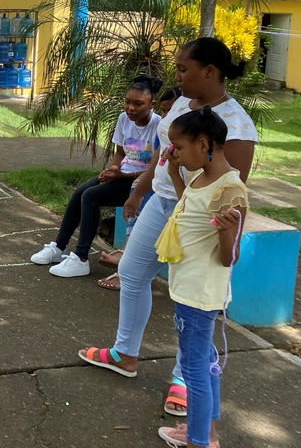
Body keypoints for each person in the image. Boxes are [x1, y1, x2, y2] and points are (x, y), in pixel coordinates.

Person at [78, 38, 257, 421]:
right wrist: (140, 187)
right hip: (160, 202)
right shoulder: (181, 103)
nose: (176, 76)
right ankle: (125, 353)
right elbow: (165, 151)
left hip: (198, 221)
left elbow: (232, 191)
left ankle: (185, 377)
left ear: (209, 72)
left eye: (182, 69)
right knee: (130, 273)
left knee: (191, 302)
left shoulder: (237, 125)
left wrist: (227, 239)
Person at [154, 108, 248, 448]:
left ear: (204, 143)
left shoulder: (230, 191)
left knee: (193, 369)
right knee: (205, 363)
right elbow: (187, 204)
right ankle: (206, 434)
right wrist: (175, 170)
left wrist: (227, 233)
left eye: (178, 147)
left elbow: (229, 257)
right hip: (188, 287)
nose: (174, 151)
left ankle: (197, 441)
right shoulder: (203, 177)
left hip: (199, 292)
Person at [30, 75, 162, 278]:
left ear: (152, 104)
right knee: (80, 192)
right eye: (127, 102)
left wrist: (122, 176)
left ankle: (81, 258)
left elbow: (156, 169)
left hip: (140, 183)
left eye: (138, 104)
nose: (130, 108)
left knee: (91, 196)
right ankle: (58, 247)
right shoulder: (124, 119)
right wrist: (112, 169)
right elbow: (120, 152)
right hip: (121, 175)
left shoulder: (159, 127)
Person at [97, 86, 182, 286]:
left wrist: (133, 181)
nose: (166, 115)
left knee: (142, 189)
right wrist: (114, 172)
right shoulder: (164, 130)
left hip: (170, 192)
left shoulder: (174, 129)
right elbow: (155, 162)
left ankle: (126, 253)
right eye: (164, 111)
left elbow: (155, 167)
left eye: (170, 111)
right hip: (153, 182)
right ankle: (74, 253)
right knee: (87, 194)